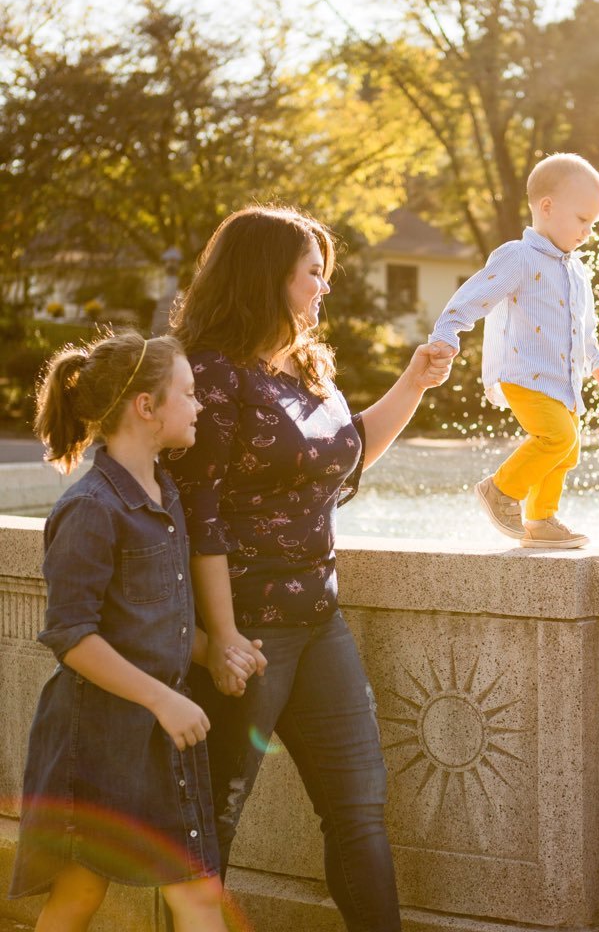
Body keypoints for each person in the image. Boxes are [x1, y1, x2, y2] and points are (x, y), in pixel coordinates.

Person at [164, 205, 453, 931]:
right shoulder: (209, 376)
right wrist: (222, 636)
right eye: (313, 274)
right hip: (246, 630)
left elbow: (345, 456)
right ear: (269, 279)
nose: (324, 288)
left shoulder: (305, 370)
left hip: (320, 622)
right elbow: (196, 511)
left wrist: (414, 383)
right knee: (211, 825)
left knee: (358, 810)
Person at [9, 331, 255, 932]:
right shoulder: (91, 509)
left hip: (156, 740)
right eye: (189, 394)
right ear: (146, 407)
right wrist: (164, 698)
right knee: (78, 894)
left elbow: (150, 620)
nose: (200, 406)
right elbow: (72, 637)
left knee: (196, 893)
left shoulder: (164, 492)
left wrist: (216, 651)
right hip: (94, 742)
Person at [428, 152, 599, 549]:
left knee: (567, 450)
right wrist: (448, 331)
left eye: (593, 223)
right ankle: (500, 490)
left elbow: (582, 328)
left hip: (564, 381)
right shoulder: (519, 256)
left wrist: (597, 360)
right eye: (583, 219)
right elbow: (476, 295)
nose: (588, 231)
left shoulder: (576, 270)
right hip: (524, 373)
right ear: (547, 208)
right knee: (556, 438)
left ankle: (541, 520)